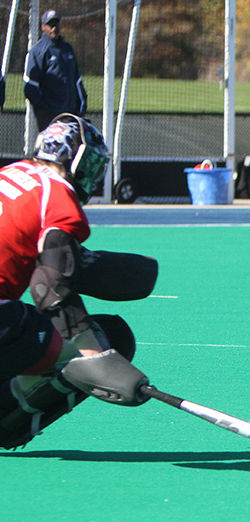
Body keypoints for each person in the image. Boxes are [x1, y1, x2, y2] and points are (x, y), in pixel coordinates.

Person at [0, 113, 159, 449]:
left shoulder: (9, 173)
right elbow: (49, 282)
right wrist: (93, 355)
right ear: (78, 158)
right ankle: (7, 420)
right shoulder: (55, 191)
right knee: (109, 338)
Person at [24, 10, 87, 131]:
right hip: (50, 119)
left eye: (56, 24)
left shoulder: (67, 49)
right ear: (43, 27)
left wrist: (81, 105)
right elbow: (30, 87)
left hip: (70, 116)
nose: (54, 28)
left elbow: (77, 80)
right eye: (50, 24)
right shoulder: (37, 51)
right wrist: (44, 111)